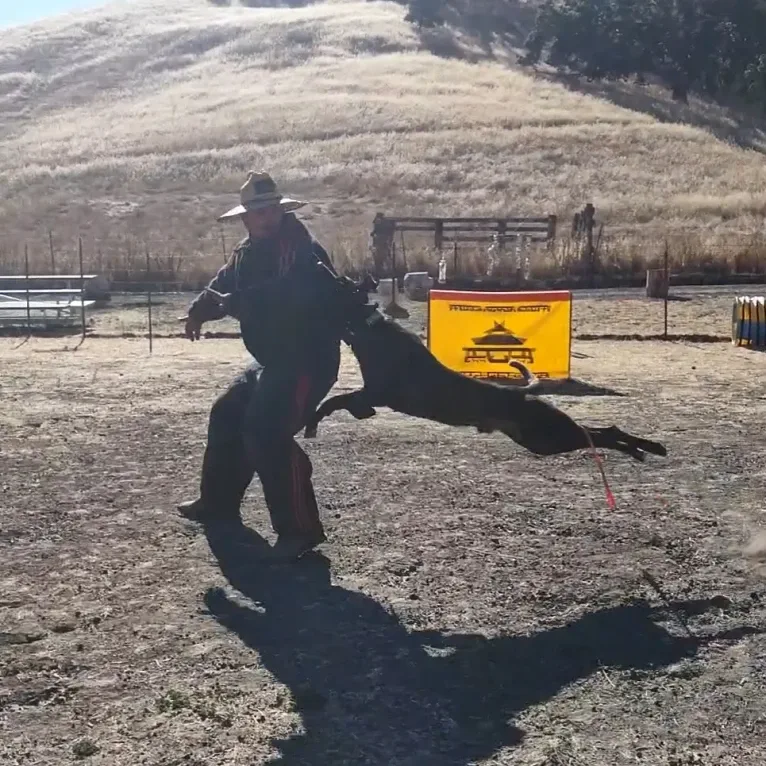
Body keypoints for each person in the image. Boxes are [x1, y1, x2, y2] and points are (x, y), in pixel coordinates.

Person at [177, 171, 343, 561]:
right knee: (227, 413)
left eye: (271, 210)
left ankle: (300, 531)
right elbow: (221, 286)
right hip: (274, 359)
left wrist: (235, 302)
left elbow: (290, 295)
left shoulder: (300, 248)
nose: (266, 217)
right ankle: (217, 503)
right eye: (258, 212)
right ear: (245, 218)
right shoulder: (246, 251)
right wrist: (197, 313)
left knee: (267, 431)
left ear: (281, 211)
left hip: (307, 360)